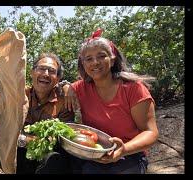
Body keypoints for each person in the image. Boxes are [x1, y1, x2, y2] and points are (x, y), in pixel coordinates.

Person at [0, 52, 74, 174]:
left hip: (47, 158)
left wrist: (20, 139)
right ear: (32, 72)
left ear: (57, 78)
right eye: (41, 68)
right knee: (0, 150)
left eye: (51, 71)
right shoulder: (21, 94)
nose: (45, 74)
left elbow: (60, 140)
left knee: (54, 160)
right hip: (24, 155)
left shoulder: (64, 101)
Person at [63, 28, 159, 174]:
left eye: (101, 56)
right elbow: (54, 86)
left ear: (112, 59)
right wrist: (66, 86)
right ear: (83, 64)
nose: (95, 62)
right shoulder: (80, 88)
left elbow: (150, 132)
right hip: (95, 153)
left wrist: (123, 150)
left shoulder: (133, 88)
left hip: (129, 155)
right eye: (89, 59)